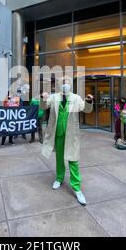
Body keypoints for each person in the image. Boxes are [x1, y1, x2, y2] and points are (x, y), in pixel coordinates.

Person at [41, 77, 94, 206]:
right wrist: (43, 97)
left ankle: (77, 188)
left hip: (71, 135)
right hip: (58, 133)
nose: (65, 85)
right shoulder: (54, 97)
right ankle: (59, 178)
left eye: (67, 83)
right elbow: (44, 106)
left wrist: (89, 101)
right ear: (59, 85)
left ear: (71, 85)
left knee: (73, 160)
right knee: (59, 158)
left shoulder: (76, 98)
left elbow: (86, 109)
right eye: (63, 83)